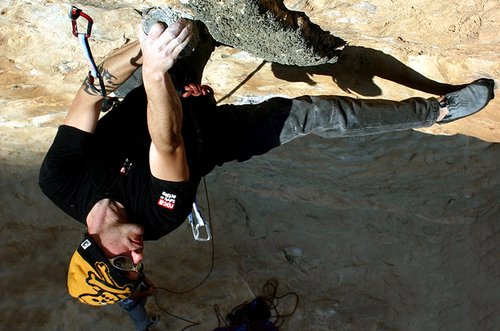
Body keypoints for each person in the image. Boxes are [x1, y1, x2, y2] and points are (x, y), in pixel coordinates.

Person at [39, 18, 495, 330]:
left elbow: (88, 97)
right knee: (317, 116)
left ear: (92, 245)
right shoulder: (161, 219)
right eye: (138, 272)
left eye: (124, 265)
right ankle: (437, 110)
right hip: (211, 135)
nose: (139, 259)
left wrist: (145, 51)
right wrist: (160, 77)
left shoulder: (59, 182)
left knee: (170, 28)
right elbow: (168, 143)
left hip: (160, 97)